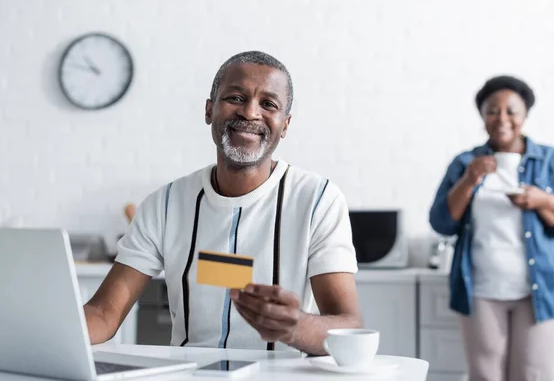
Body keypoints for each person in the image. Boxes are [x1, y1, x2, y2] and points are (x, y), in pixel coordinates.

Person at [84, 51, 362, 355]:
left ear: (285, 125)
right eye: (235, 98)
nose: (250, 113)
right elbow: (103, 314)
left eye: (268, 104)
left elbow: (349, 327)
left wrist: (295, 326)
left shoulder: (318, 200)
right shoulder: (163, 205)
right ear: (209, 110)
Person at [428, 75, 554, 381]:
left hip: (537, 291)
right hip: (480, 291)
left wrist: (545, 201)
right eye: (492, 110)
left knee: (532, 374)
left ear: (525, 114)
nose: (502, 118)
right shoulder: (465, 163)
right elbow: (441, 223)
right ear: (482, 115)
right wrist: (469, 179)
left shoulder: (550, 161)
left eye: (511, 110)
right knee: (485, 374)